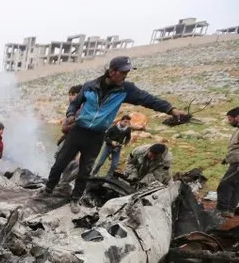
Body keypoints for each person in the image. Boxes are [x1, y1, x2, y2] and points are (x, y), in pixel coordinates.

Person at [38, 56, 184, 213]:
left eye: (127, 72)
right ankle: (48, 189)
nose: (125, 75)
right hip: (78, 131)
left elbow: (148, 99)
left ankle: (75, 199)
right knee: (60, 162)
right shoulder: (89, 86)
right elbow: (75, 103)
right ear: (112, 71)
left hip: (96, 136)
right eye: (123, 72)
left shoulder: (125, 90)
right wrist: (70, 114)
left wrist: (171, 110)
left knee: (85, 170)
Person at [215, 107, 239, 216]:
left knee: (225, 185)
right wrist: (227, 158)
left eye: (230, 119)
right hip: (235, 161)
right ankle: (229, 210)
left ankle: (222, 210)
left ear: (237, 117)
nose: (228, 122)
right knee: (235, 186)